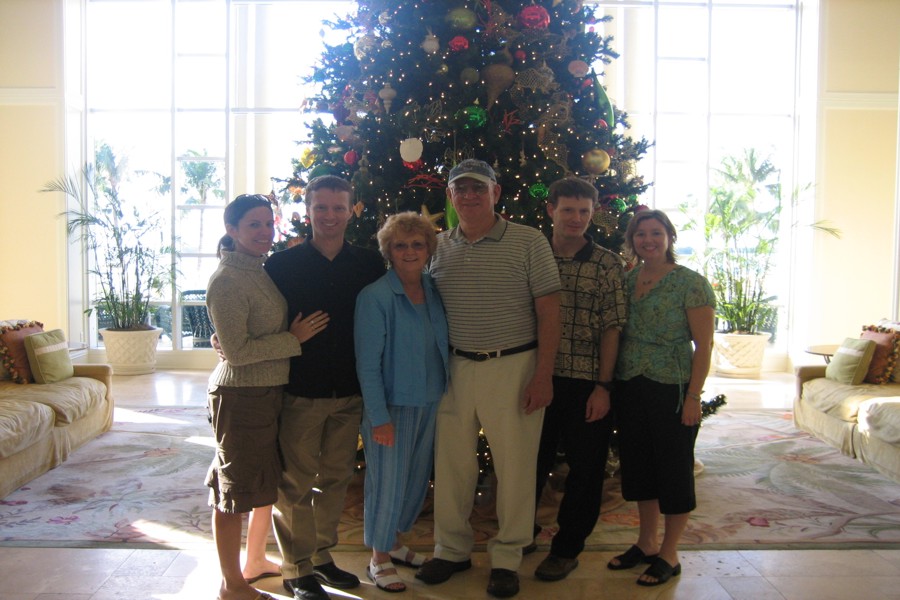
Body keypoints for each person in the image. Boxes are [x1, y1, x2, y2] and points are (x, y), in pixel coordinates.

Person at [415, 159, 561, 599]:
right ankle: (452, 549)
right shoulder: (437, 247)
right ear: (452, 197)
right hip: (454, 368)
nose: (470, 196)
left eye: (479, 188)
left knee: (515, 468)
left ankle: (507, 556)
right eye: (461, 189)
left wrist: (543, 375)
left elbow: (550, 310)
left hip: (514, 366)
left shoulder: (528, 241)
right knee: (452, 464)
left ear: (496, 193)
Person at [264, 175, 386, 600]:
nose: (329, 216)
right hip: (301, 390)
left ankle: (321, 557)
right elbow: (257, 317)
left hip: (350, 391)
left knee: (335, 478)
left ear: (352, 210)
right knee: (295, 483)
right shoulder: (281, 265)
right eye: (321, 208)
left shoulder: (371, 263)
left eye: (338, 208)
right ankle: (295, 568)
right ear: (308, 211)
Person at [205, 194, 328, 600]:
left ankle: (254, 560)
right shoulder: (227, 280)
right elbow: (237, 352)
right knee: (234, 491)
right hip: (241, 395)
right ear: (232, 230)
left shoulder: (257, 270)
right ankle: (231, 584)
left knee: (264, 482)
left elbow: (235, 336)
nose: (263, 232)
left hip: (267, 391)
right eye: (253, 225)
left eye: (267, 224)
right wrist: (293, 340)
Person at [608, 208, 715, 586]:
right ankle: (646, 543)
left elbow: (703, 345)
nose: (648, 240)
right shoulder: (627, 279)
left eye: (655, 233)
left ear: (669, 237)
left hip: (672, 386)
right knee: (639, 467)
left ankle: (670, 552)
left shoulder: (691, 283)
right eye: (640, 234)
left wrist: (694, 397)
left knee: (673, 469)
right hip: (629, 384)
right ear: (631, 240)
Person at [530, 177, 627, 582]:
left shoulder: (607, 263)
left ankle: (567, 547)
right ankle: (519, 533)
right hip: (535, 377)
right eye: (568, 210)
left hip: (586, 382)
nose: (576, 219)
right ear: (551, 209)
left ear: (593, 213)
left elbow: (612, 328)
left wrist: (603, 387)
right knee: (528, 464)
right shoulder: (531, 254)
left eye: (584, 212)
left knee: (586, 470)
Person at [354, 212, 449, 593]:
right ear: (388, 251)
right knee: (387, 484)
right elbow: (368, 364)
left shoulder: (433, 289)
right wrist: (378, 417)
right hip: (391, 407)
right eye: (400, 245)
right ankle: (378, 558)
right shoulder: (375, 297)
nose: (409, 251)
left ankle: (394, 543)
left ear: (428, 249)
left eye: (417, 244)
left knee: (413, 483)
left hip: (430, 401)